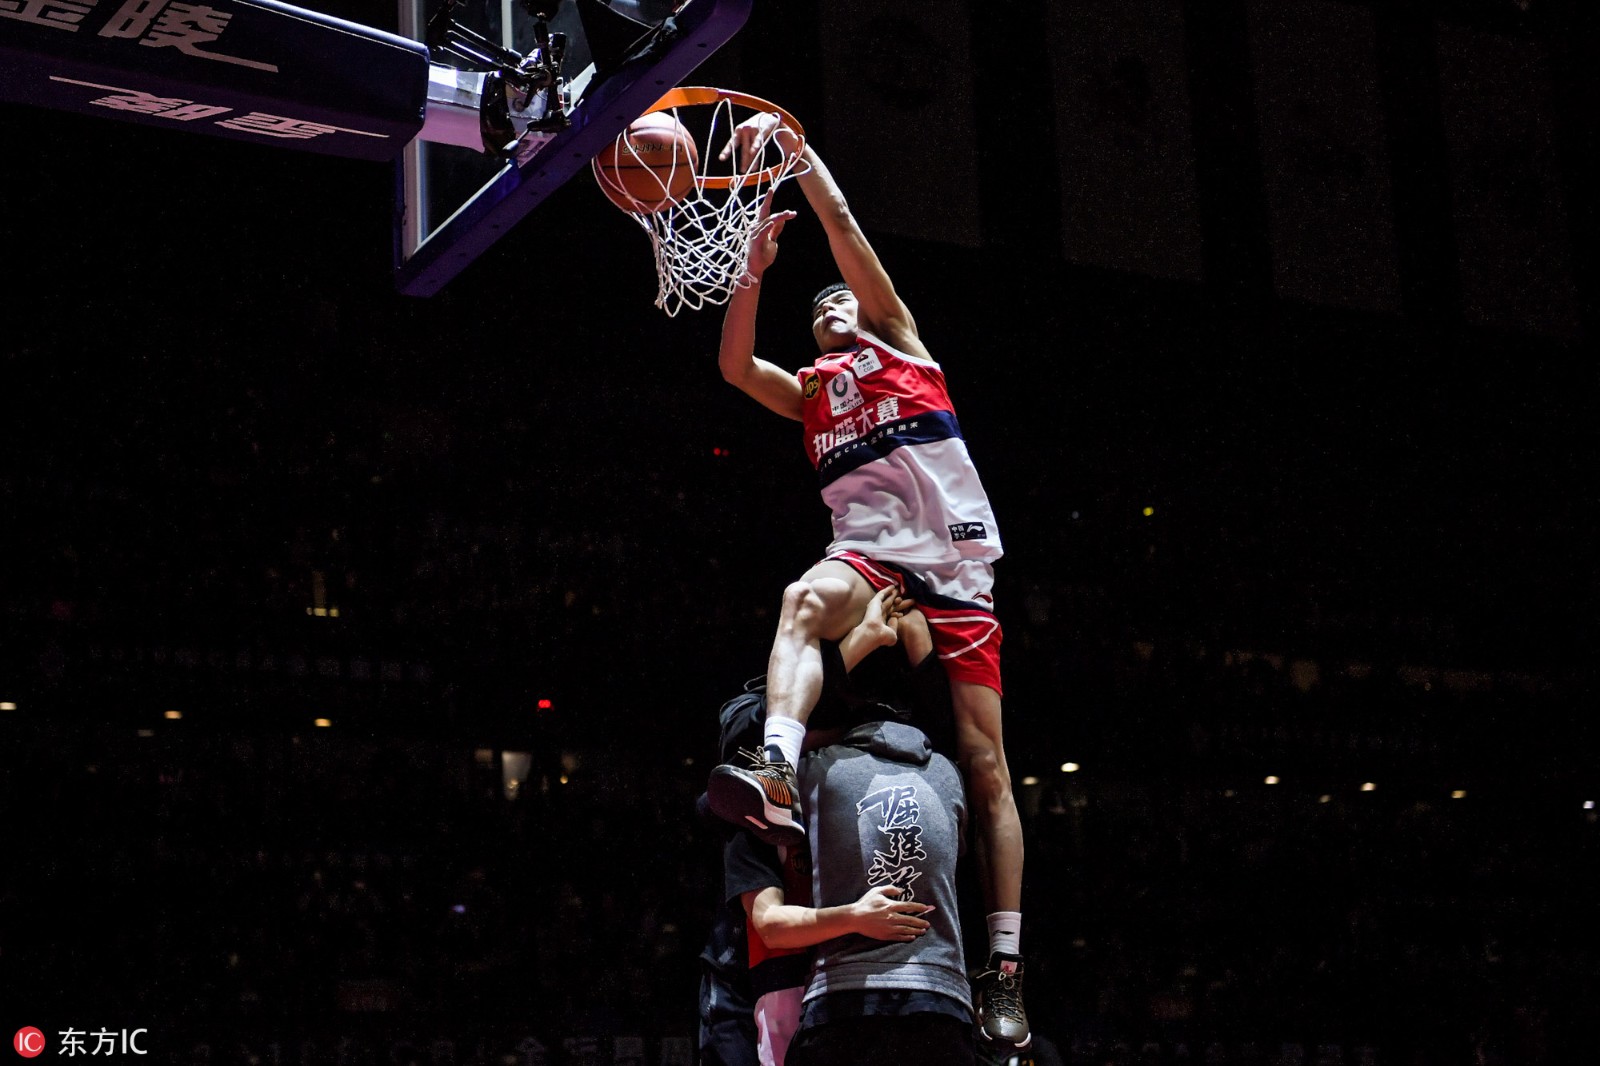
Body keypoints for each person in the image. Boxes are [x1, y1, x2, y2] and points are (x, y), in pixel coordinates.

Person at [703, 115, 1030, 1047]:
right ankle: (773, 766)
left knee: (988, 766)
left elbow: (843, 226)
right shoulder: (811, 392)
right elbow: (734, 366)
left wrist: (797, 160)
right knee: (801, 602)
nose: (830, 310)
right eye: (817, 314)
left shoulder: (897, 341)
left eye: (835, 302)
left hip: (954, 560)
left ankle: (1002, 964)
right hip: (872, 552)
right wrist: (752, 272)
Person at [701, 589, 943, 1066]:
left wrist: (916, 639)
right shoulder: (750, 796)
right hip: (754, 988)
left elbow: (944, 733)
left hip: (832, 992)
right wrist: (863, 639)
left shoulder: (869, 785)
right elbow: (770, 926)